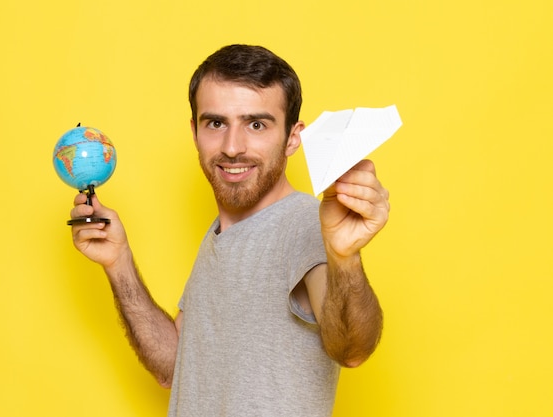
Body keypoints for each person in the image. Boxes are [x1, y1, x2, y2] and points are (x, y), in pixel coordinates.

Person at [69, 44, 389, 417]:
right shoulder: (220, 236)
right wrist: (118, 262)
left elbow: (351, 350)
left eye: (256, 124)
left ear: (292, 137)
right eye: (216, 123)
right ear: (195, 132)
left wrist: (345, 259)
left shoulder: (306, 224)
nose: (232, 147)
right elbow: (174, 366)